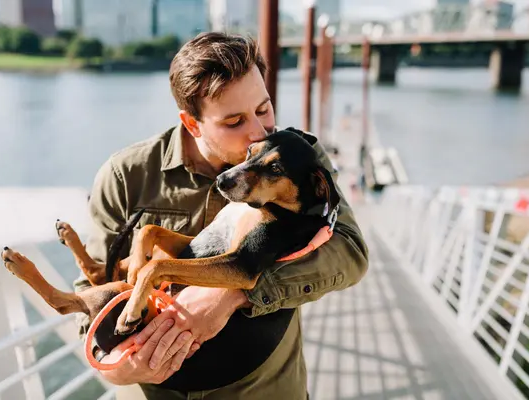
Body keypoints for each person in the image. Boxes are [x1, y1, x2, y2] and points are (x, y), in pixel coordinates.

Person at [73, 32, 369, 400]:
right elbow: (89, 304)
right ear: (193, 123)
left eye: (264, 109)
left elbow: (352, 253)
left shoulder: (299, 159)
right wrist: (122, 369)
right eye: (234, 122)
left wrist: (235, 293)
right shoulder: (125, 176)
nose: (258, 133)